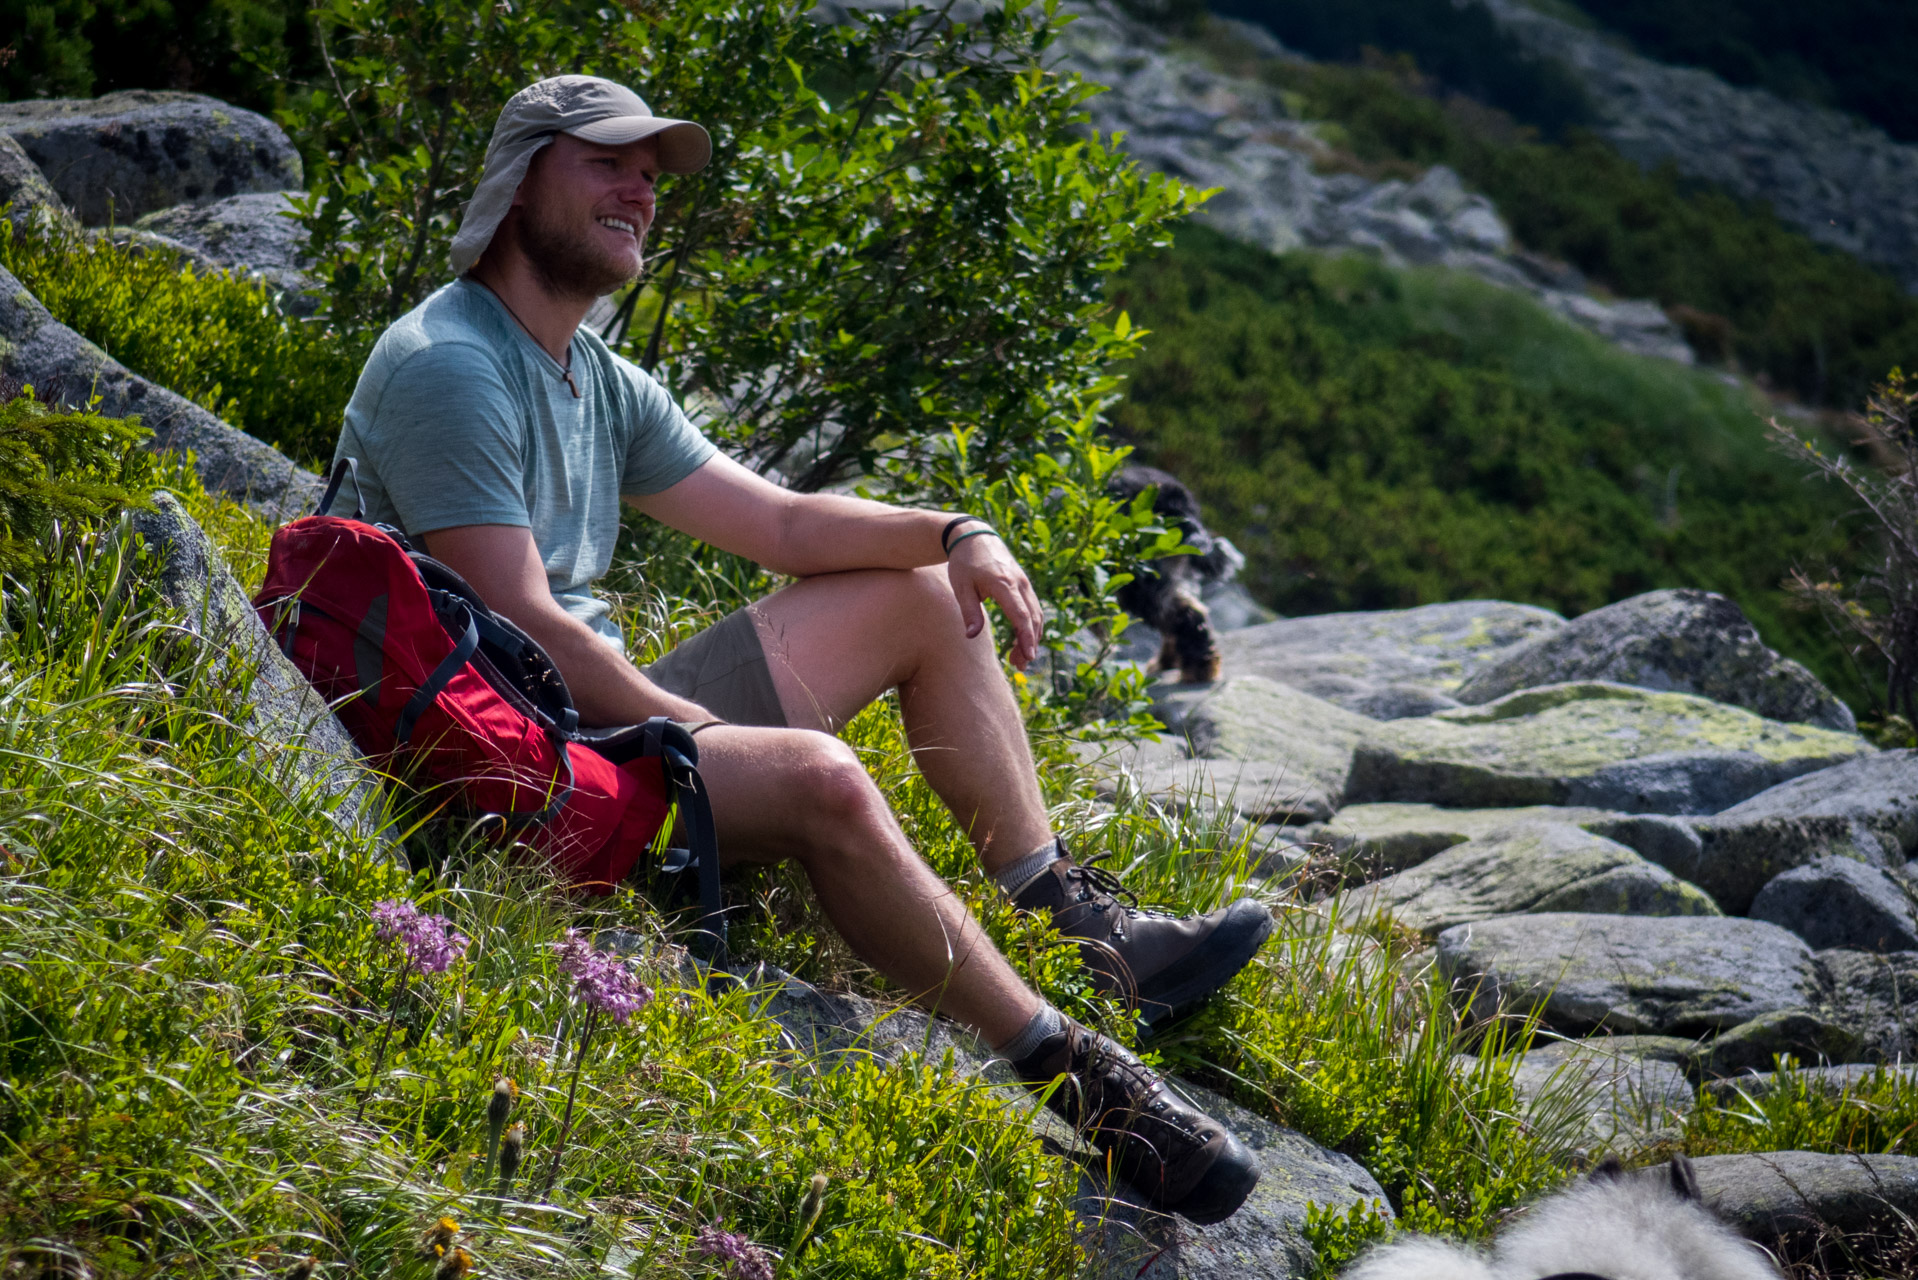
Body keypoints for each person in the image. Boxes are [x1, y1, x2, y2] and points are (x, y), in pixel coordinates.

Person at [333, 74, 1273, 1224]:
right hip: (493, 762)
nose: (641, 189)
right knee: (821, 778)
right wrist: (710, 738)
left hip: (575, 722)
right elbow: (524, 623)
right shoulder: (450, 362)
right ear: (522, 176)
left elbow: (777, 521)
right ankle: (1076, 1070)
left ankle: (1086, 931)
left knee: (923, 594)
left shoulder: (592, 374)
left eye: (652, 172)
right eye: (607, 162)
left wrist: (955, 531)